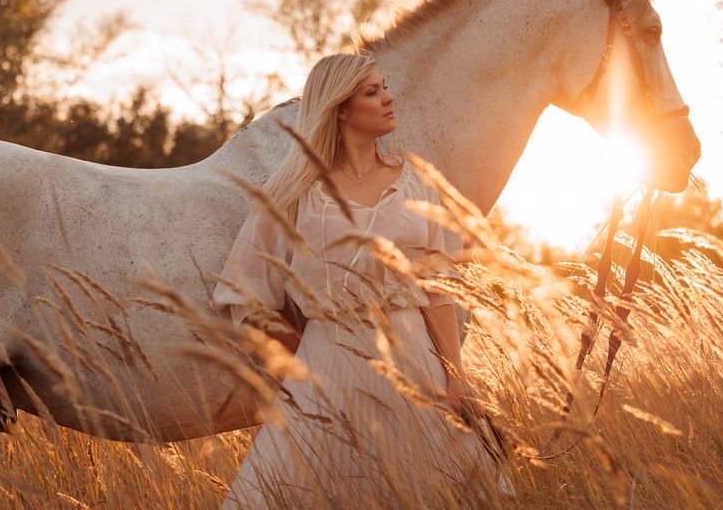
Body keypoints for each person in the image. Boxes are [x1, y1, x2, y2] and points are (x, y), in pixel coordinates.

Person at [212, 53, 511, 507]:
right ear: (340, 109)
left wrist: (456, 377)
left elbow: (436, 288)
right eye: (372, 91)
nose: (389, 98)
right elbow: (247, 296)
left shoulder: (414, 183)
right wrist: (306, 369)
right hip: (327, 373)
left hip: (418, 368)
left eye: (385, 86)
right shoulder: (294, 193)